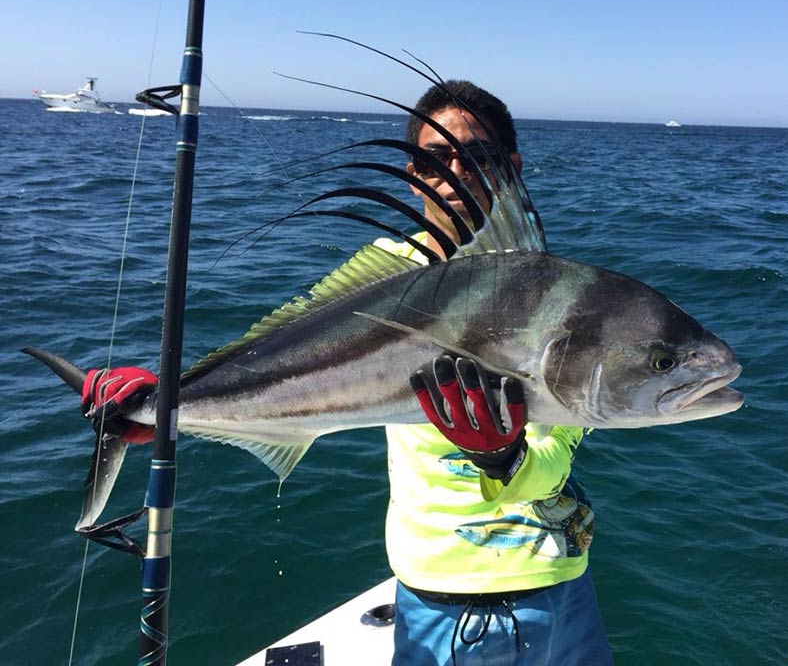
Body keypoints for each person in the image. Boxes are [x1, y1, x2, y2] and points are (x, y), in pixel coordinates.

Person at [82, 81, 613, 665]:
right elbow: (277, 359)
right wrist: (165, 407)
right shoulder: (385, 276)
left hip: (566, 577)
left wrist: (505, 457)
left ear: (510, 165)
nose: (452, 174)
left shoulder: (557, 296)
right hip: (452, 599)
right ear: (412, 172)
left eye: (475, 156)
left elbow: (555, 451)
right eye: (432, 161)